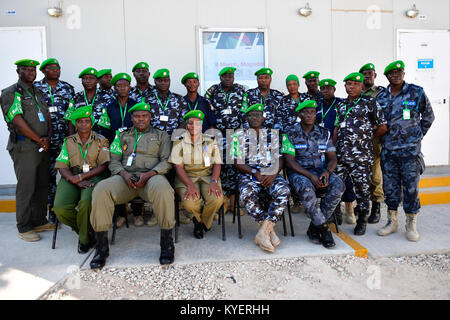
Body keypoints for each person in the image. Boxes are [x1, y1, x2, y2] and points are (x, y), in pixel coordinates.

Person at [89, 102, 175, 268]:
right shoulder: (121, 135)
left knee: (164, 190)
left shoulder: (161, 135)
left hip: (151, 178)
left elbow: (167, 161)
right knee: (101, 189)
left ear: (150, 117)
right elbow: (113, 160)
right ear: (131, 118)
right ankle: (101, 248)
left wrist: (149, 174)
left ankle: (166, 245)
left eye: (144, 116)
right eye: (137, 116)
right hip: (125, 179)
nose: (140, 119)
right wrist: (124, 174)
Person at [376, 60, 434, 241]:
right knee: (390, 188)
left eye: (399, 72)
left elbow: (429, 116)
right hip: (389, 151)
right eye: (391, 73)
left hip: (410, 152)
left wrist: (417, 136)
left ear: (403, 73)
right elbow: (377, 122)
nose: (395, 75)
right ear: (386, 76)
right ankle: (392, 222)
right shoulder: (381, 97)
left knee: (411, 188)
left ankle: (411, 224)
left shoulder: (416, 92)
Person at [0, 59, 54, 242]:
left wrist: (47, 138)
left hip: (41, 146)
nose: (31, 72)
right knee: (27, 187)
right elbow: (17, 120)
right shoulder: (11, 92)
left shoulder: (37, 92)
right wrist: (38, 139)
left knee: (41, 185)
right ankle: (24, 227)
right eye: (26, 69)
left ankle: (38, 220)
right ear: (18, 71)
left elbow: (46, 116)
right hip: (25, 147)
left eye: (33, 69)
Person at [282, 100, 344, 248]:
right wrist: (310, 176)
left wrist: (327, 172)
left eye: (312, 112)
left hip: (321, 171)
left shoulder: (324, 133)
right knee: (307, 188)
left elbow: (333, 158)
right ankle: (324, 229)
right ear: (299, 114)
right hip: (299, 173)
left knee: (339, 185)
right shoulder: (289, 133)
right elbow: (289, 161)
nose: (309, 115)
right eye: (305, 112)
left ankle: (313, 227)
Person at [333, 72, 387, 235]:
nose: (351, 87)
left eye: (355, 84)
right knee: (336, 187)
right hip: (342, 155)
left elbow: (383, 126)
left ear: (362, 86)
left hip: (361, 157)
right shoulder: (341, 105)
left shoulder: (370, 103)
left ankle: (362, 220)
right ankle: (335, 216)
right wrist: (334, 148)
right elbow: (336, 127)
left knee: (363, 190)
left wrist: (367, 137)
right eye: (348, 84)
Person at [233, 103, 290, 253]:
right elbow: (236, 162)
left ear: (263, 118)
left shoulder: (273, 134)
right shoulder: (237, 135)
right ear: (246, 118)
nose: (255, 118)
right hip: (248, 175)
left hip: (270, 174)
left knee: (283, 190)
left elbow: (281, 158)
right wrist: (254, 172)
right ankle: (269, 232)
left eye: (258, 115)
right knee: (247, 193)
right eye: (251, 115)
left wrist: (273, 174)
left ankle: (264, 231)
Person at [53, 106, 110, 253]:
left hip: (94, 176)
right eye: (80, 122)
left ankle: (84, 240)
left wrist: (80, 177)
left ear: (91, 123)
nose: (83, 124)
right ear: (75, 124)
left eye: (86, 121)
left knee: (85, 203)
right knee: (60, 208)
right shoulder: (68, 141)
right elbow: (61, 164)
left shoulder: (101, 140)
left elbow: (104, 166)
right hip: (71, 175)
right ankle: (87, 231)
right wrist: (73, 178)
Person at [169, 110, 224, 239]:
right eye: (190, 124)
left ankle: (201, 222)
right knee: (190, 204)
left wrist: (214, 181)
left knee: (217, 200)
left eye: (197, 124)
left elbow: (217, 163)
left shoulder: (210, 140)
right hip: (186, 178)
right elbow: (178, 167)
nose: (194, 127)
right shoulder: (179, 142)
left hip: (208, 176)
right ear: (186, 126)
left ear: (202, 125)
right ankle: (200, 222)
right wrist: (189, 185)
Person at [98, 72, 143, 227]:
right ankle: (121, 214)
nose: (122, 88)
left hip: (134, 146)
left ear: (129, 87)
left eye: (125, 85)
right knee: (117, 177)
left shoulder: (136, 105)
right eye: (118, 85)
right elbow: (103, 130)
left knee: (136, 175)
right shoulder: (109, 107)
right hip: (116, 148)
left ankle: (137, 213)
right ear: (114, 88)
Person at [35, 58, 75, 223]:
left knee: (69, 172)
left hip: (64, 139)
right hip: (45, 140)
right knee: (48, 176)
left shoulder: (67, 88)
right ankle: (52, 210)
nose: (56, 70)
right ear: (43, 71)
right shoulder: (36, 88)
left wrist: (71, 139)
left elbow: (72, 115)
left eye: (58, 68)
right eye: (51, 68)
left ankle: (67, 206)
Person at [204, 67, 246, 216]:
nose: (228, 78)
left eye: (231, 76)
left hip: (235, 134)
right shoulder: (212, 91)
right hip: (218, 134)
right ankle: (223, 201)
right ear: (220, 77)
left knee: (234, 166)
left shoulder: (241, 90)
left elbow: (245, 111)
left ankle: (235, 202)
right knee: (219, 166)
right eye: (225, 76)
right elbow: (207, 110)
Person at [316, 78, 356, 225]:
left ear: (334, 89)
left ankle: (350, 208)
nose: (326, 91)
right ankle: (335, 210)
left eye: (329, 88)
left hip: (341, 147)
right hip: (323, 148)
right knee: (331, 177)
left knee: (346, 178)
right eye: (323, 89)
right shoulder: (316, 106)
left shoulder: (342, 104)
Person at [359, 63, 385, 224]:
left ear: (375, 75)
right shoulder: (355, 92)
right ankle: (363, 205)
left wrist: (372, 137)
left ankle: (376, 205)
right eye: (364, 74)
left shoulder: (381, 94)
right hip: (357, 141)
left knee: (375, 174)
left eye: (370, 73)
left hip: (374, 138)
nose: (367, 76)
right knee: (361, 174)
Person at [145, 68, 188, 137]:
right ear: (155, 82)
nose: (163, 83)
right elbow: (144, 120)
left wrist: (177, 134)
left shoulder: (179, 99)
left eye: (166, 80)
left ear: (169, 81)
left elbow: (185, 119)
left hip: (174, 138)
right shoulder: (147, 99)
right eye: (160, 81)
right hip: (153, 139)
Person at [70, 67, 102, 133]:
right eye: (85, 78)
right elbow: (70, 119)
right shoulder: (76, 97)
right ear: (82, 81)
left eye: (91, 78)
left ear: (97, 80)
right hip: (81, 139)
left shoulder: (107, 97)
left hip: (102, 139)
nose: (88, 81)